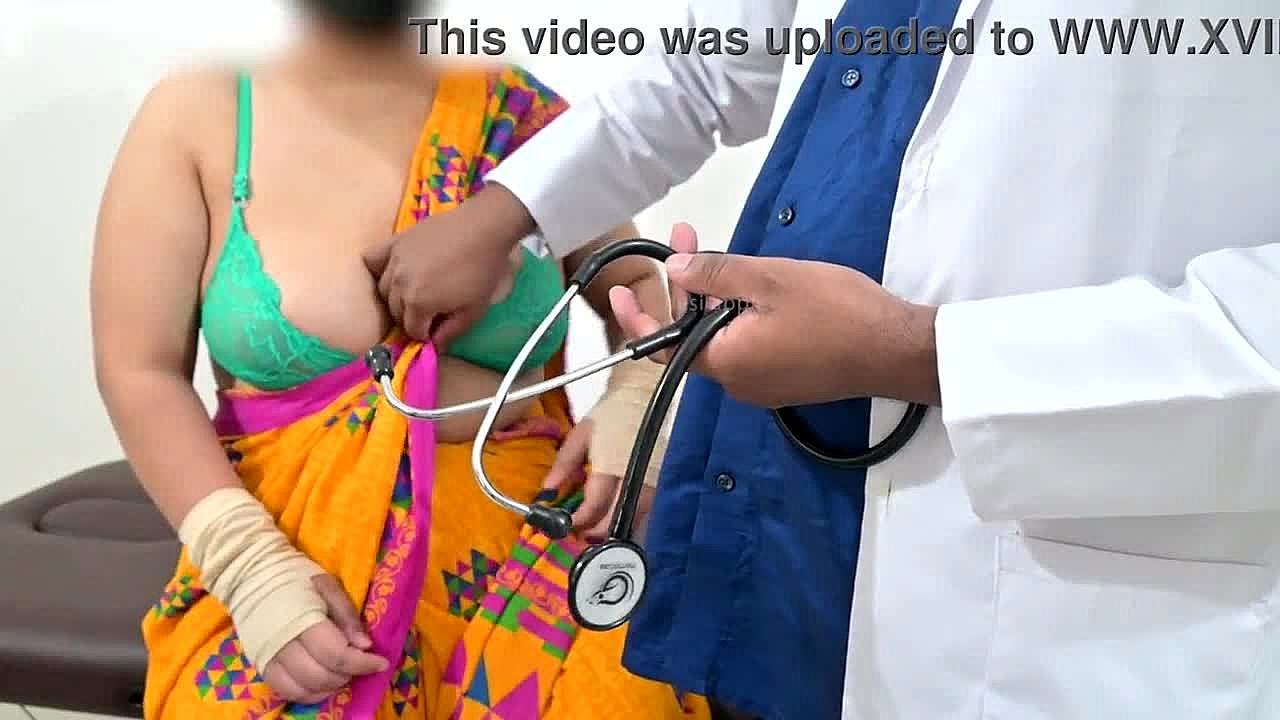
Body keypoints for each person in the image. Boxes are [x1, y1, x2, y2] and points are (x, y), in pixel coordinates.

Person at [365, 0, 1280, 718]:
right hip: (781, 470)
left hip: (1059, 546)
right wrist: (504, 212)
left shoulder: (494, 104)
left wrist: (914, 354)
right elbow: (715, 59)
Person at [89, 0, 715, 717]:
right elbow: (140, 369)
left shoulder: (517, 118)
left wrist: (637, 403)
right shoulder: (198, 116)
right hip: (290, 562)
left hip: (534, 550)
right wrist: (247, 565)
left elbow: (642, 283)